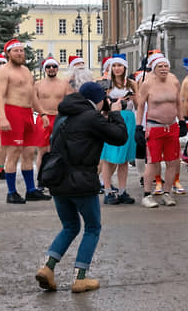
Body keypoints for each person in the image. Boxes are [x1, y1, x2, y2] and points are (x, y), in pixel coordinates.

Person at [34, 82, 129, 293]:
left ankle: (48, 267)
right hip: (81, 181)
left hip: (57, 180)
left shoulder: (63, 115)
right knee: (92, 227)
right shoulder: (90, 117)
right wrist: (115, 113)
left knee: (70, 226)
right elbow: (120, 137)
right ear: (97, 99)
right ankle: (80, 277)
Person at [0, 39, 52, 203]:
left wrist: (42, 113)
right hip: (12, 112)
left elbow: (32, 95)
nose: (20, 53)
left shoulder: (25, 70)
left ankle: (31, 190)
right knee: (14, 153)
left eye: (21, 50)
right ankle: (11, 192)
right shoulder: (3, 72)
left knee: (29, 153)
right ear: (8, 54)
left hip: (27, 114)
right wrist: (2, 118)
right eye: (16, 51)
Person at [136, 53, 181, 208]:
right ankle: (147, 194)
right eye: (160, 66)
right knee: (153, 162)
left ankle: (167, 193)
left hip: (172, 127)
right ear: (154, 68)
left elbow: (179, 103)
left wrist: (182, 120)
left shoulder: (174, 81)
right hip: (155, 127)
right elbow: (141, 106)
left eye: (165, 66)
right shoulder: (147, 83)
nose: (163, 69)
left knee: (172, 162)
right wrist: (138, 127)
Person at [100, 55, 138, 204]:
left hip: (128, 119)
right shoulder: (106, 84)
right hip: (112, 119)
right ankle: (108, 190)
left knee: (124, 159)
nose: (117, 68)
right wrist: (113, 102)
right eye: (114, 65)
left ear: (124, 67)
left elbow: (138, 104)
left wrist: (132, 97)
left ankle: (122, 190)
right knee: (109, 158)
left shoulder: (132, 84)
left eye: (119, 66)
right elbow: (102, 105)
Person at [32, 56, 74, 187]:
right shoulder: (38, 84)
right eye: (48, 67)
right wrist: (41, 113)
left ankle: (60, 177)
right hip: (43, 118)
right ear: (45, 69)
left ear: (57, 68)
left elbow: (71, 101)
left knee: (61, 150)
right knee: (42, 151)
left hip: (60, 118)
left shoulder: (64, 84)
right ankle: (41, 179)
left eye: (54, 66)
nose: (51, 69)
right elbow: (33, 101)